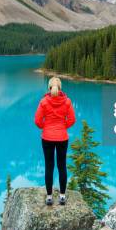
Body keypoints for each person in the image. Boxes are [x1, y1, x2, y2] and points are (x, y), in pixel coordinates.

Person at [34, 76, 76, 206]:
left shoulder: (44, 102)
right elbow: (72, 119)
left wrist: (45, 127)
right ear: (60, 87)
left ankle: (49, 197)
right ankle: (62, 196)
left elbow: (37, 121)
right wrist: (63, 126)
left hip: (47, 137)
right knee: (62, 165)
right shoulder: (67, 101)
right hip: (62, 137)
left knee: (49, 166)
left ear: (49, 87)